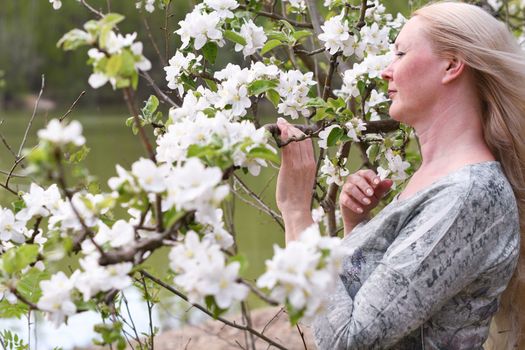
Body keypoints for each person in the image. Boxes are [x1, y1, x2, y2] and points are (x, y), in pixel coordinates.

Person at [276, 1, 525, 349]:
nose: (385, 71)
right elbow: (378, 314)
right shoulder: (438, 181)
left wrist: (297, 213)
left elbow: (347, 340)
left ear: (452, 65)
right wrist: (358, 228)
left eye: (401, 53)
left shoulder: (470, 193)